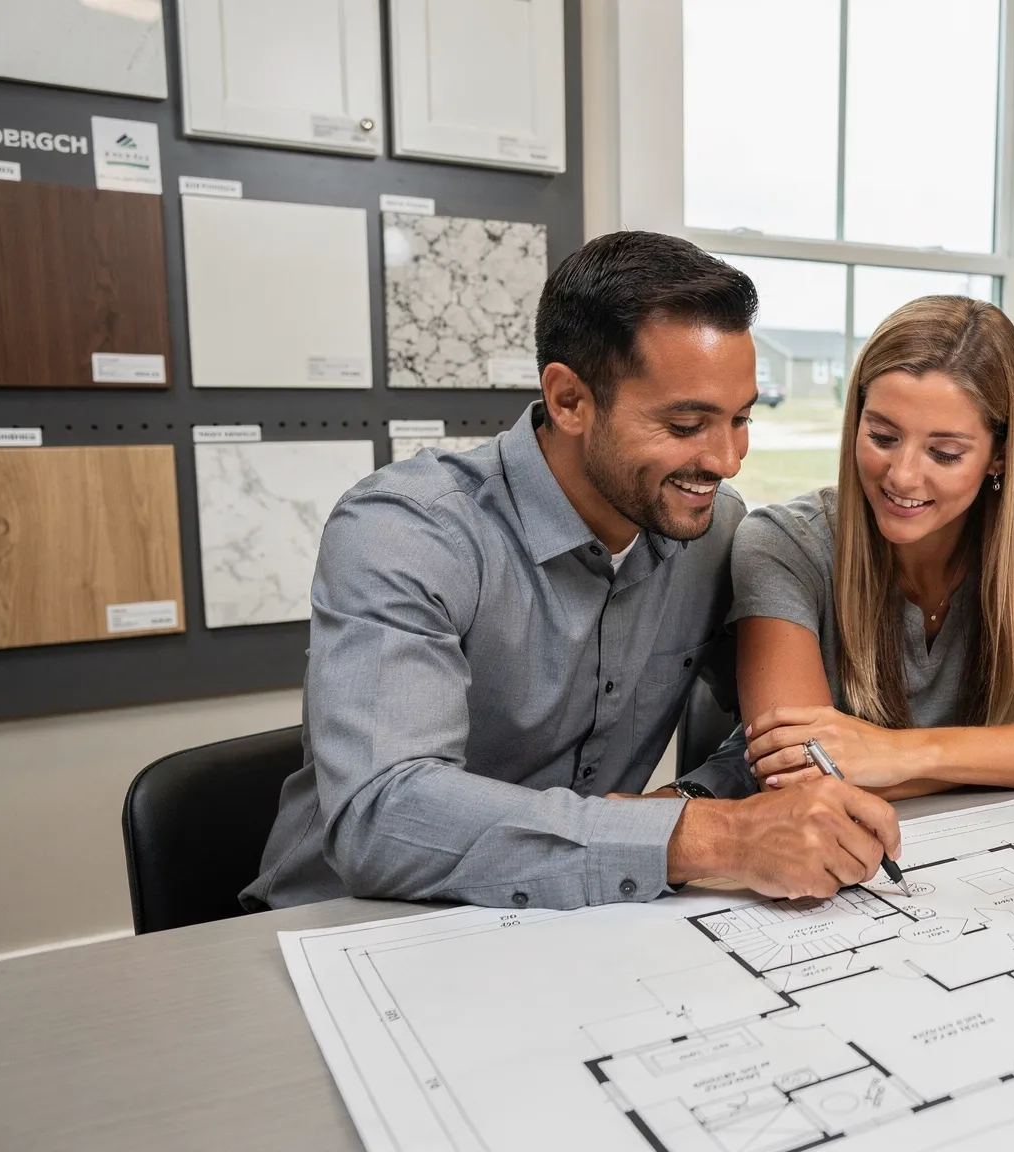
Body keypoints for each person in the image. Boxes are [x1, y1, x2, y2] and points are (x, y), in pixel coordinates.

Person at [243, 232, 900, 911]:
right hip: (344, 926)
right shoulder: (407, 532)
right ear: (569, 401)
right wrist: (708, 837)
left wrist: (691, 799)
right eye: (685, 426)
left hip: (568, 924)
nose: (727, 458)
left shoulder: (712, 530)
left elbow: (778, 735)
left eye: (739, 420)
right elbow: (383, 817)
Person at [731, 296, 1014, 798]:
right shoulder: (781, 543)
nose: (902, 475)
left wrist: (899, 754)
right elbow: (799, 777)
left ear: (1001, 456)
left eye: (944, 453)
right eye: (882, 436)